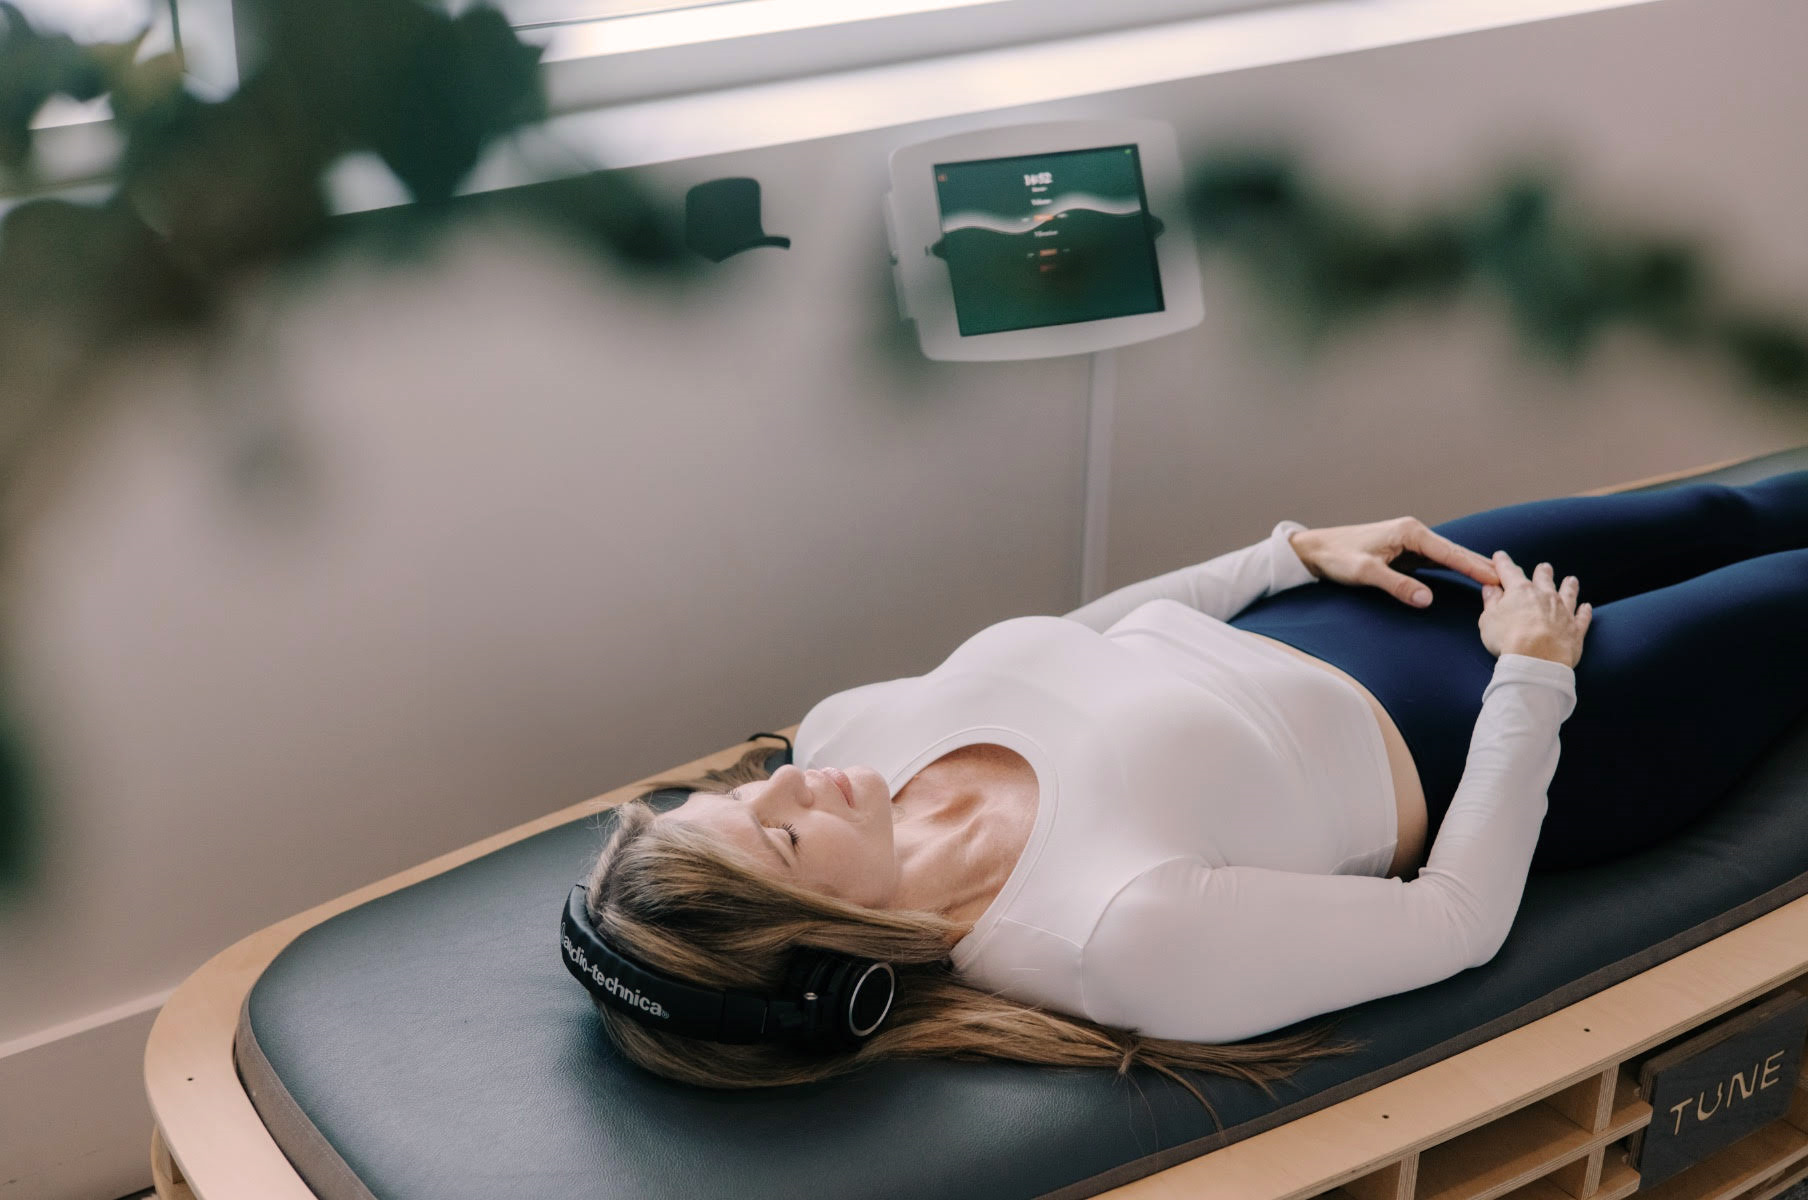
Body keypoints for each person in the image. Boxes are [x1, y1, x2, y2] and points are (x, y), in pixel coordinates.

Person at [579, 470, 1808, 1118]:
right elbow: (1456, 919)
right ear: (833, 951)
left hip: (1354, 606)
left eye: (743, 795)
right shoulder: (1112, 938)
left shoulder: (847, 735)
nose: (792, 781)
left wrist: (1284, 556)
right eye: (784, 839)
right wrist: (1533, 675)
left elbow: (1070, 642)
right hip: (1531, 727)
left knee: (1728, 507)